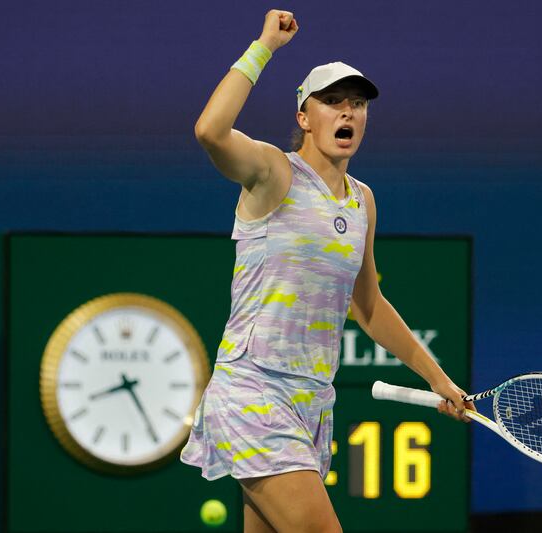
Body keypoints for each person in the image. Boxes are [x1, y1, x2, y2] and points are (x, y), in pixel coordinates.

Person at [180, 9, 474, 533]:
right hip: (255, 389)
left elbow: (368, 306)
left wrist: (440, 380)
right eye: (333, 102)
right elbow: (209, 130)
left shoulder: (363, 200)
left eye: (357, 104)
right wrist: (264, 47)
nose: (348, 113)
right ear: (304, 117)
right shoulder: (273, 172)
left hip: (312, 401)